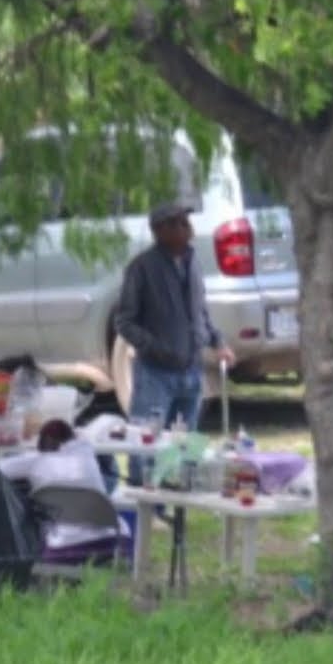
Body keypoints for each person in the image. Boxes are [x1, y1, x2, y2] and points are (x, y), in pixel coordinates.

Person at [115, 200, 235, 484]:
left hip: (191, 370)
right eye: (176, 224)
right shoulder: (141, 268)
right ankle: (145, 503)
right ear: (158, 231)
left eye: (186, 222)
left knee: (183, 445)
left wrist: (218, 341)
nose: (185, 229)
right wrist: (155, 347)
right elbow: (124, 322)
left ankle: (176, 498)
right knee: (146, 444)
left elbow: (200, 312)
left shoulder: (194, 263)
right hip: (155, 373)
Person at [0, 420, 131, 563]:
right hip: (112, 541)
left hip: (64, 546)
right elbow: (83, 439)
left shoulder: (35, 462)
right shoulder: (86, 451)